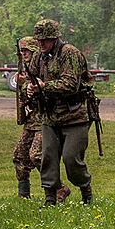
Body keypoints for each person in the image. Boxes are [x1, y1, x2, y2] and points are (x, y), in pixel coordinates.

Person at [27, 18, 94, 205]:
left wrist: (43, 86)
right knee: (48, 157)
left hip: (74, 116)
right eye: (38, 40)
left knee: (72, 158)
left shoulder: (69, 53)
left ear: (55, 39)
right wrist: (30, 88)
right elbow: (31, 78)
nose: (41, 44)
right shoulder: (38, 56)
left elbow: (70, 84)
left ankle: (85, 190)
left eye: (45, 40)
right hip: (49, 116)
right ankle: (50, 197)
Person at [14, 36, 70, 202]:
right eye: (21, 51)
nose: (23, 54)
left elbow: (50, 87)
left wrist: (29, 85)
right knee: (19, 156)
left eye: (26, 50)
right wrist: (23, 85)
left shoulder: (44, 65)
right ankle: (23, 195)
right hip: (31, 121)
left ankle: (58, 188)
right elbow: (25, 95)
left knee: (37, 155)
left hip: (44, 120)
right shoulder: (25, 68)